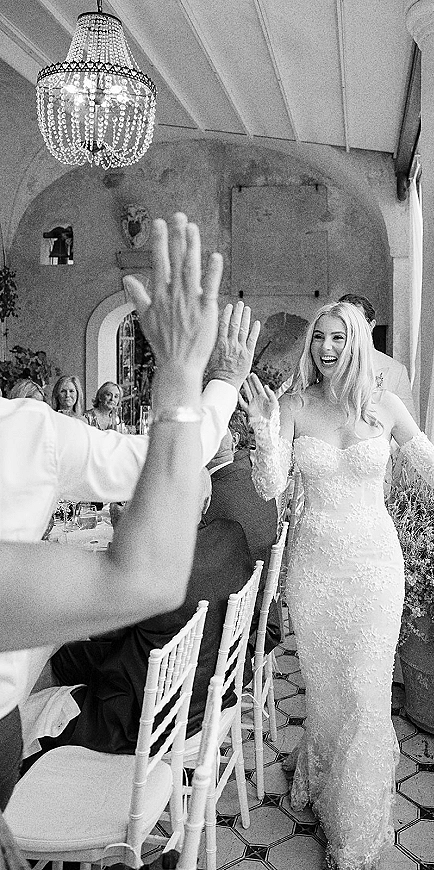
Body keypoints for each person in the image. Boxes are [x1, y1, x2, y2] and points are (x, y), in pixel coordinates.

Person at [0, 213, 259, 817]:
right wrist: (196, 374)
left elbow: (162, 461)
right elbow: (146, 570)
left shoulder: (27, 428)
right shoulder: (23, 429)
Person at [242, 301, 434, 870]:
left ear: (357, 342)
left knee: (365, 693)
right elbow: (270, 487)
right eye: (318, 340)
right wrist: (264, 430)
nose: (325, 349)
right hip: (313, 571)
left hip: (376, 570)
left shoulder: (385, 408)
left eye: (336, 338)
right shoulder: (292, 406)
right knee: (328, 694)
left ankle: (355, 831)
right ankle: (325, 777)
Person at [36, 471, 255, 756]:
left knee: (45, 668)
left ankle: (52, 766)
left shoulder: (152, 566)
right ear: (206, 502)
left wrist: (124, 537)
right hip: (209, 691)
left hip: (145, 719)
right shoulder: (232, 535)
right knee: (66, 656)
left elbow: (99, 627)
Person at [202, 416, 280, 652]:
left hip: (229, 625)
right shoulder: (254, 477)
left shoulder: (213, 494)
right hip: (260, 607)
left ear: (234, 440)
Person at [338, 292, 417, 420]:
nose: (351, 328)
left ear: (371, 325)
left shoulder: (395, 371)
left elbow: (409, 421)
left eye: (357, 321)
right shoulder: (325, 363)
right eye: (344, 322)